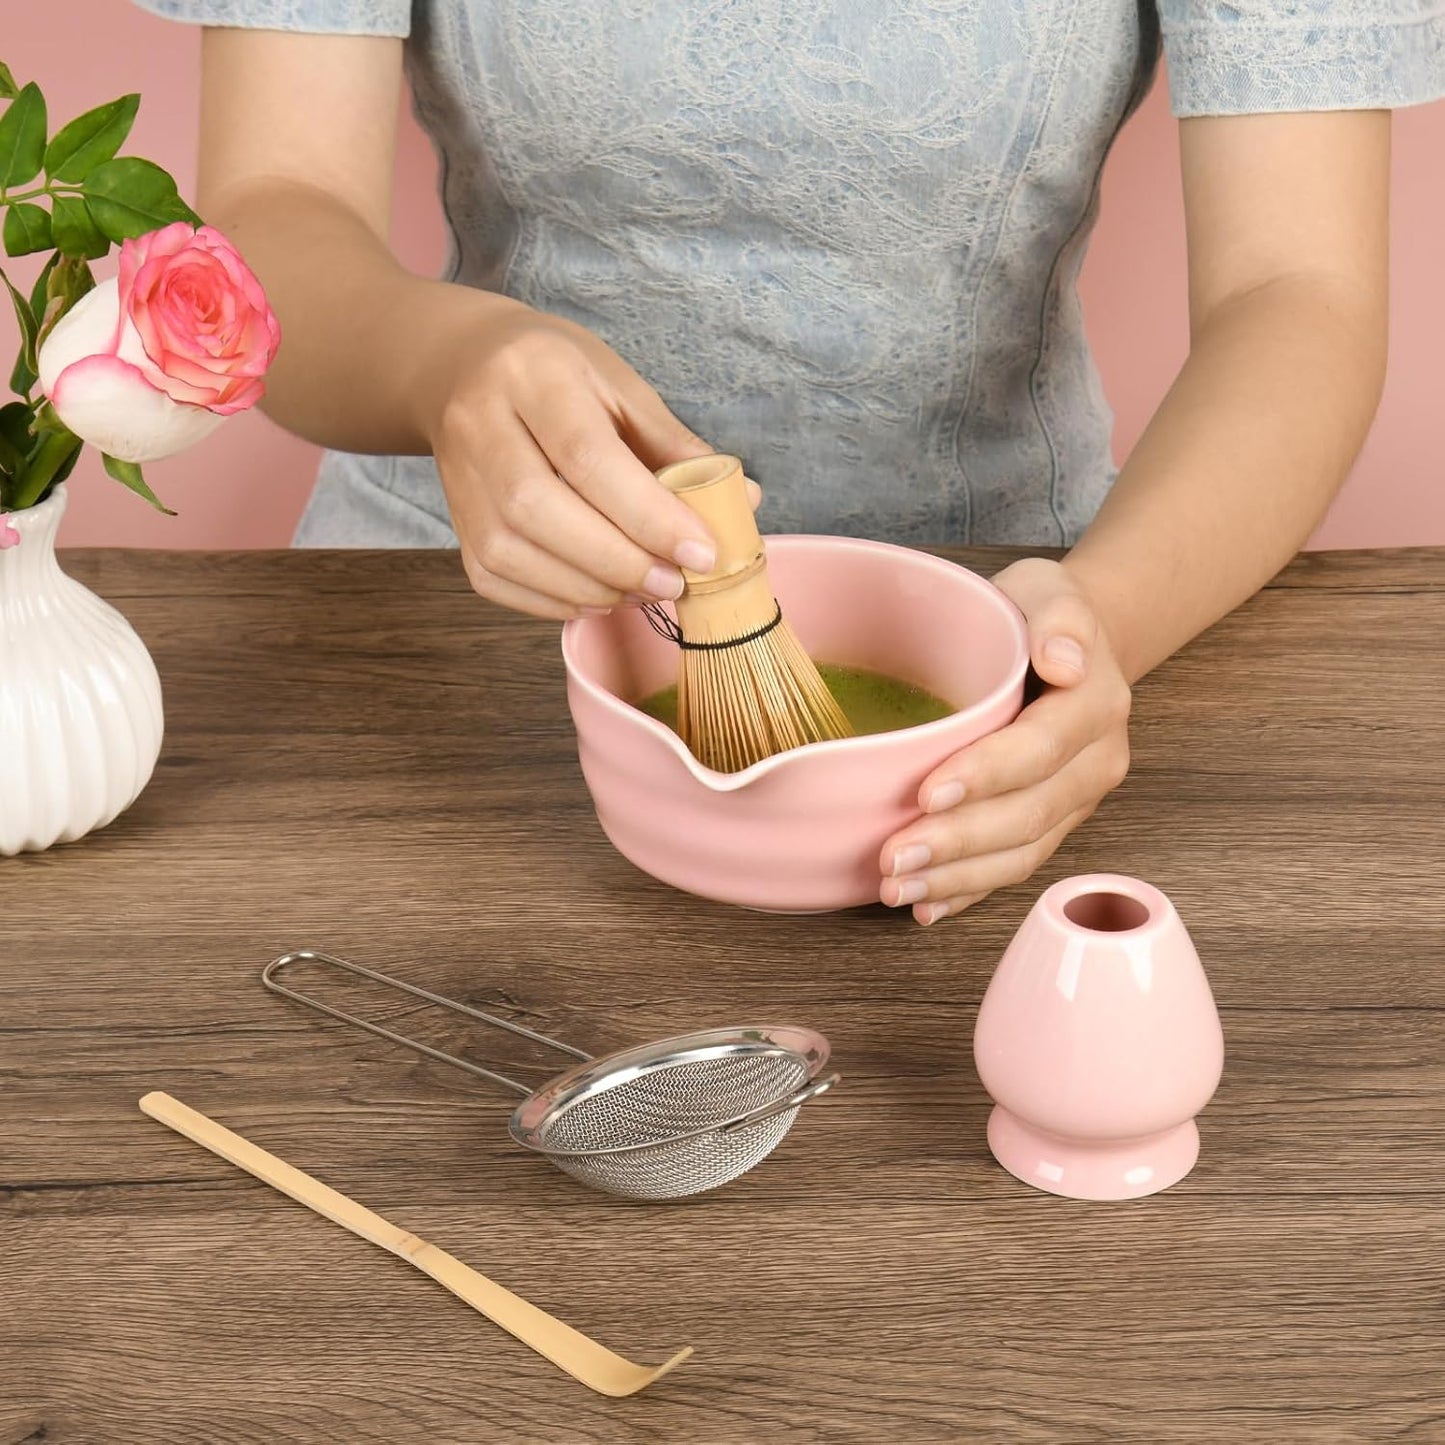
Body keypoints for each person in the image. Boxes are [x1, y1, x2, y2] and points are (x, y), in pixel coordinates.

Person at [136, 0, 1442, 923]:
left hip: (999, 637)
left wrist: (1093, 625)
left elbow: (1298, 292)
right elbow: (272, 209)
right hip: (452, 641)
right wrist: (446, 362)